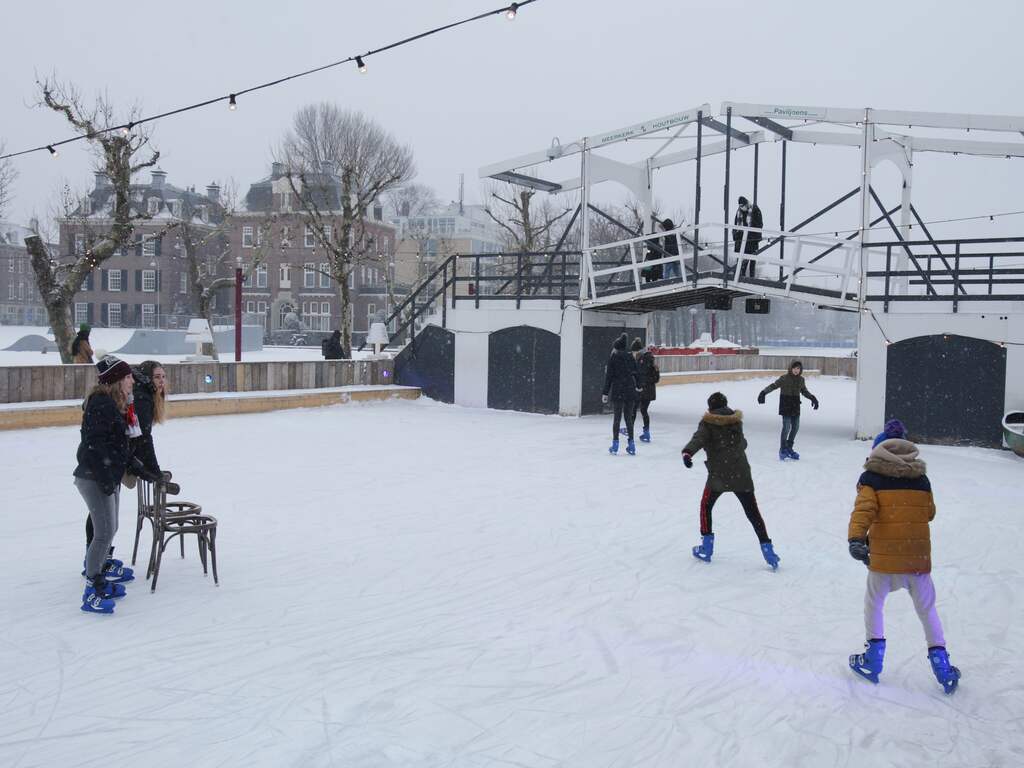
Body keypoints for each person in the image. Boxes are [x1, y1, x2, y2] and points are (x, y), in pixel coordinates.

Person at [847, 421, 961, 694]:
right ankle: (942, 665)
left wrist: (855, 539)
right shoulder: (921, 479)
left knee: (874, 605)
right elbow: (929, 512)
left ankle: (873, 659)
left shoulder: (871, 479)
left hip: (884, 563)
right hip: (916, 562)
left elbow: (864, 511)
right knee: (927, 610)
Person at [74, 356, 160, 614]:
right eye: (127, 377)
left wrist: (141, 469)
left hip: (106, 476)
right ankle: (92, 589)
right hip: (94, 477)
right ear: (115, 381)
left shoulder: (116, 403)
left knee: (111, 528)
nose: (132, 381)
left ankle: (98, 574)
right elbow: (94, 446)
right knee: (103, 533)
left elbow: (119, 447)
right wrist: (106, 478)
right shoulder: (101, 405)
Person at [681, 392, 780, 569]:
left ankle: (706, 547)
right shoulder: (736, 421)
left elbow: (699, 439)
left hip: (719, 473)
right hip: (741, 472)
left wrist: (688, 452)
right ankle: (768, 550)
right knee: (753, 512)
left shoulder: (708, 422)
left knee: (706, 506)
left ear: (710, 407)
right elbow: (743, 444)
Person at [757, 361, 819, 460]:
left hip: (795, 406)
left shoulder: (801, 380)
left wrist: (812, 398)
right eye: (794, 368)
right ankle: (782, 449)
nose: (796, 370)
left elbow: (804, 391)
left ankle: (789, 448)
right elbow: (773, 386)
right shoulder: (784, 378)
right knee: (786, 427)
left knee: (796, 427)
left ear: (800, 370)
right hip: (785, 405)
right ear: (790, 368)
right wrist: (763, 392)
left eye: (798, 368)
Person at [602, 333, 641, 455]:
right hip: (630, 390)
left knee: (617, 418)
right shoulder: (630, 357)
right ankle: (631, 444)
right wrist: (638, 386)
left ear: (617, 347)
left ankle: (615, 444)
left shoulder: (613, 358)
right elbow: (636, 373)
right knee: (628, 418)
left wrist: (605, 393)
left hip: (618, 390)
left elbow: (609, 377)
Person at [631, 338, 659, 442]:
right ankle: (646, 432)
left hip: (643, 389)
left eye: (634, 352)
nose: (634, 354)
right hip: (648, 390)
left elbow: (642, 375)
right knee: (643, 410)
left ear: (638, 351)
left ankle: (631, 430)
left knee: (634, 409)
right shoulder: (649, 358)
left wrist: (640, 384)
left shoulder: (643, 360)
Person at [732, 196, 763, 280]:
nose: (742, 207)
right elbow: (735, 226)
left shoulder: (755, 210)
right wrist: (735, 236)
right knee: (741, 261)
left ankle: (751, 278)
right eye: (740, 206)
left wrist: (751, 235)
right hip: (741, 240)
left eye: (743, 205)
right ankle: (740, 277)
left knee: (751, 260)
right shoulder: (739, 212)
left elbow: (759, 225)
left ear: (746, 203)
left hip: (752, 240)